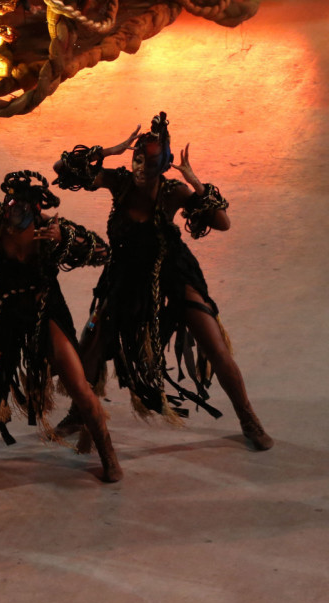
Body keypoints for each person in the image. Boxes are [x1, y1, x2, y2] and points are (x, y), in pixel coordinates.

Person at [53, 112, 272, 450]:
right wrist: (108, 151)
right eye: (137, 159)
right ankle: (80, 411)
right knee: (92, 342)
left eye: (150, 162)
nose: (141, 167)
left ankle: (247, 417)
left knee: (213, 342)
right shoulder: (120, 182)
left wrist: (196, 183)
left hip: (170, 272)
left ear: (164, 165)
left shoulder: (173, 192)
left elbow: (223, 222)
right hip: (125, 276)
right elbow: (62, 169)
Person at [0, 171, 122, 482]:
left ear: (35, 210)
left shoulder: (53, 228)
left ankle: (107, 450)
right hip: (2, 309)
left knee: (78, 384)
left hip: (44, 310)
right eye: (8, 205)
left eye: (19, 209)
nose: (10, 213)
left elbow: (104, 252)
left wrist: (66, 241)